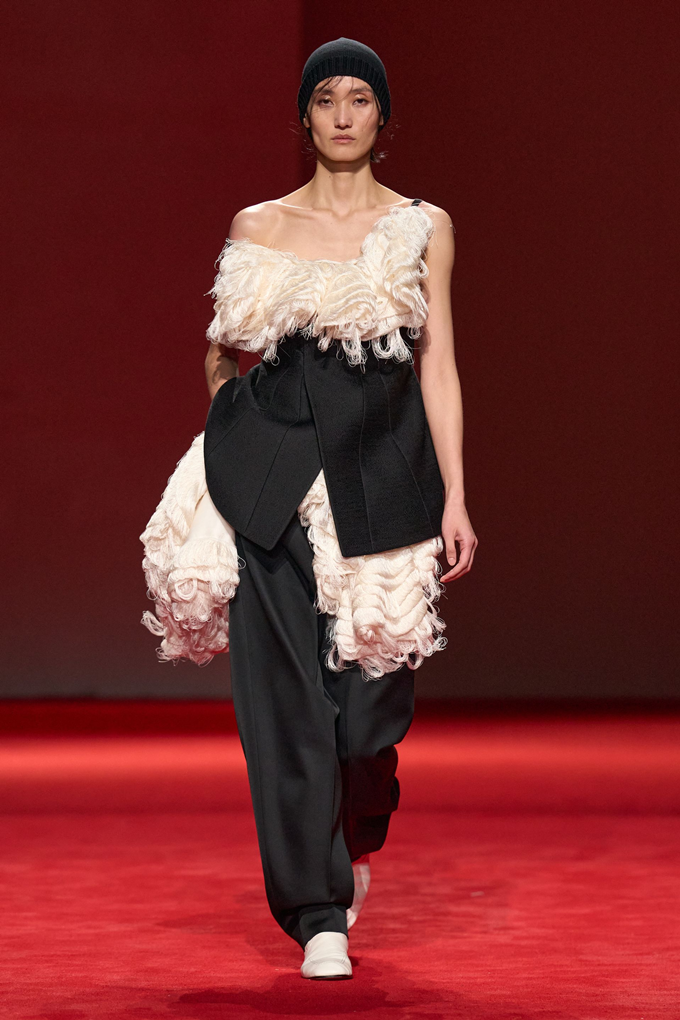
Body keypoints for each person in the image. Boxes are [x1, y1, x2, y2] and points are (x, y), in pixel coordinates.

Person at [141, 37, 477, 980]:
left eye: (359, 98)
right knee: (285, 706)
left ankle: (356, 832)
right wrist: (227, 432)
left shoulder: (422, 227)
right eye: (325, 97)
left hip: (385, 474)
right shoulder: (258, 224)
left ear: (382, 115)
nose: (341, 114)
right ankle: (316, 913)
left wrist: (456, 493)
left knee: (367, 721)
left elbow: (439, 365)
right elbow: (223, 351)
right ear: (304, 115)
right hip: (268, 481)